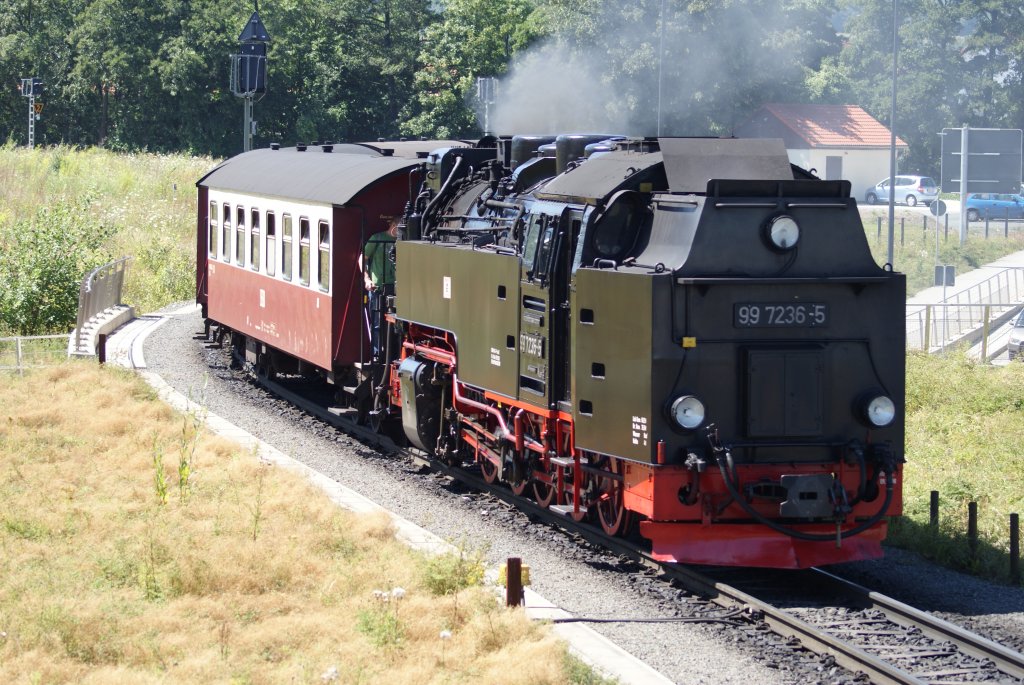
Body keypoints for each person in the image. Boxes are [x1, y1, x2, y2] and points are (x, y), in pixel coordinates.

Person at [363, 220, 397, 361]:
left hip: (395, 286)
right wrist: (367, 279)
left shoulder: (402, 241)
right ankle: (376, 355)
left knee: (395, 323)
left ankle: (393, 354)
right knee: (377, 323)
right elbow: (363, 258)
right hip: (378, 286)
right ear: (393, 225)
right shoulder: (377, 238)